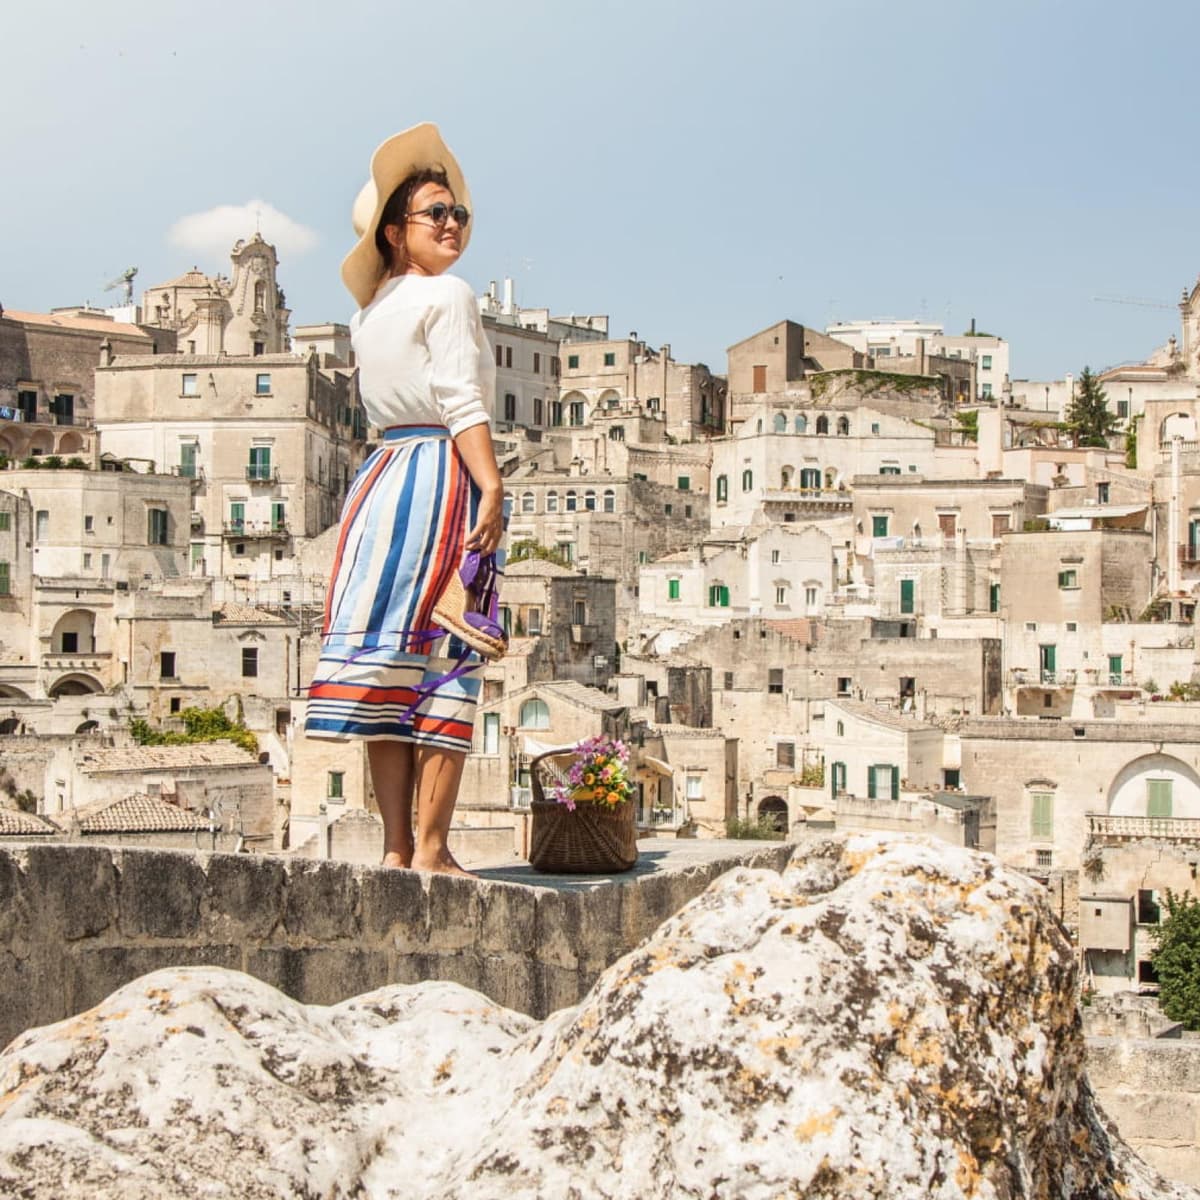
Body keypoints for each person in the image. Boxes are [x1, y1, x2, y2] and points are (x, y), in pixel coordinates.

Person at [305, 124, 503, 877]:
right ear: (395, 231)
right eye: (435, 214)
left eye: (458, 214)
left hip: (380, 482)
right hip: (443, 476)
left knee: (388, 667)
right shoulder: (447, 294)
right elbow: (458, 397)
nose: (453, 225)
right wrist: (491, 482)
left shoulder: (368, 313)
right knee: (451, 659)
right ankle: (432, 848)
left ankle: (394, 848)